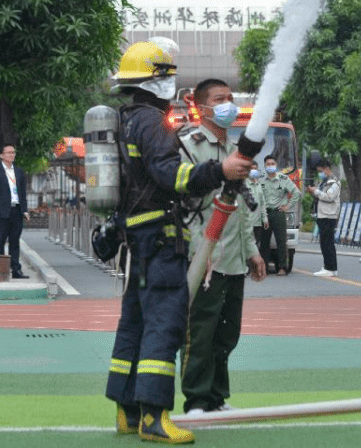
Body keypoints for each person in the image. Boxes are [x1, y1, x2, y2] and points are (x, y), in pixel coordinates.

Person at [104, 40, 251, 445]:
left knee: (132, 324)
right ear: (158, 79)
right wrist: (219, 169)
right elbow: (174, 176)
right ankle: (154, 417)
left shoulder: (124, 119)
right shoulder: (151, 122)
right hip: (160, 238)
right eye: (168, 74)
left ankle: (126, 410)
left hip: (135, 236)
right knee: (165, 326)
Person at [180, 79, 266, 416]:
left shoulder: (234, 148)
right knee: (200, 331)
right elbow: (184, 188)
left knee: (227, 332)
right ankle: (196, 400)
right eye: (219, 99)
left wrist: (252, 251)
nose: (227, 103)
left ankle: (216, 396)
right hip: (204, 257)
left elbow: (242, 208)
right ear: (201, 108)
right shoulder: (189, 144)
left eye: (230, 98)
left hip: (232, 258)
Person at [0, 144, 29, 279]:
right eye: (9, 152)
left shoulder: (18, 172)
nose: (12, 155)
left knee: (15, 242)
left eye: (13, 152)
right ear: (1, 155)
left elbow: (22, 193)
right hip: (2, 212)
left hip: (16, 210)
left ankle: (16, 270)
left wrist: (25, 210)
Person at [258, 154, 301, 276]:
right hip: (265, 213)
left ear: (276, 166)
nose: (270, 166)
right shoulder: (261, 179)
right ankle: (263, 268)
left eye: (273, 164)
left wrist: (288, 206)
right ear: (265, 166)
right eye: (268, 164)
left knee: (281, 241)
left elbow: (296, 193)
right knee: (264, 242)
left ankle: (282, 267)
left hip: (279, 213)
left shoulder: (283, 179)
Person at [307, 159, 341, 277]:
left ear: (327, 169)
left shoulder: (334, 183)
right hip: (322, 215)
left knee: (328, 243)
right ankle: (329, 266)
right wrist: (314, 191)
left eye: (321, 171)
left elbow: (329, 197)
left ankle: (330, 268)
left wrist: (315, 191)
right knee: (324, 242)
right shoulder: (324, 182)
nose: (320, 174)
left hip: (329, 216)